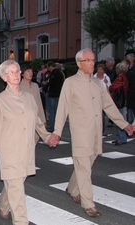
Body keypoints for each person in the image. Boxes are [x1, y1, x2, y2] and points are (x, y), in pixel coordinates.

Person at [49, 48, 134, 217]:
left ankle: (72, 188)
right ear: (80, 64)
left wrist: (124, 124)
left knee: (87, 163)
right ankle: (88, 204)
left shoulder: (98, 83)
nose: (92, 63)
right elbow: (62, 108)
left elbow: (108, 106)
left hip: (96, 132)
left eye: (93, 60)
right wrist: (57, 132)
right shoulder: (71, 82)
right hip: (80, 133)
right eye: (88, 60)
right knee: (84, 168)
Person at [0, 60, 53, 225]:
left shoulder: (29, 97)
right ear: (4, 77)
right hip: (10, 151)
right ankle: (21, 221)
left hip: (27, 149)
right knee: (17, 188)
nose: (16, 75)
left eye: (17, 71)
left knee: (17, 181)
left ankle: (3, 202)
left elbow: (36, 121)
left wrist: (47, 136)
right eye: (11, 72)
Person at [20, 64, 46, 143]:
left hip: (35, 117)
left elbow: (39, 102)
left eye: (31, 71)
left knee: (35, 138)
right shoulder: (19, 87)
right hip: (24, 119)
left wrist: (43, 120)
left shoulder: (35, 86)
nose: (30, 73)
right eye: (28, 71)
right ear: (22, 74)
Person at [109, 63, 129, 145]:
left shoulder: (119, 78)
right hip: (124, 100)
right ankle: (121, 137)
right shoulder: (125, 78)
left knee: (119, 120)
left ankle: (122, 138)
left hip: (119, 102)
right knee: (122, 119)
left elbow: (112, 87)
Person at [44, 61, 64, 132]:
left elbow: (52, 83)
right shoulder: (60, 73)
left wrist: (46, 83)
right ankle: (57, 126)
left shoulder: (53, 74)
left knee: (51, 111)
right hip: (58, 94)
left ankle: (52, 126)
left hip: (52, 94)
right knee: (56, 111)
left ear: (50, 66)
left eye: (48, 67)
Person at [93, 64, 111, 136]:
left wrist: (107, 83)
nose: (99, 71)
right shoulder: (93, 77)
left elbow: (110, 88)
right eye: (98, 69)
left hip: (103, 98)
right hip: (95, 98)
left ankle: (101, 130)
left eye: (101, 69)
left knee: (101, 115)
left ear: (104, 70)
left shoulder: (106, 78)